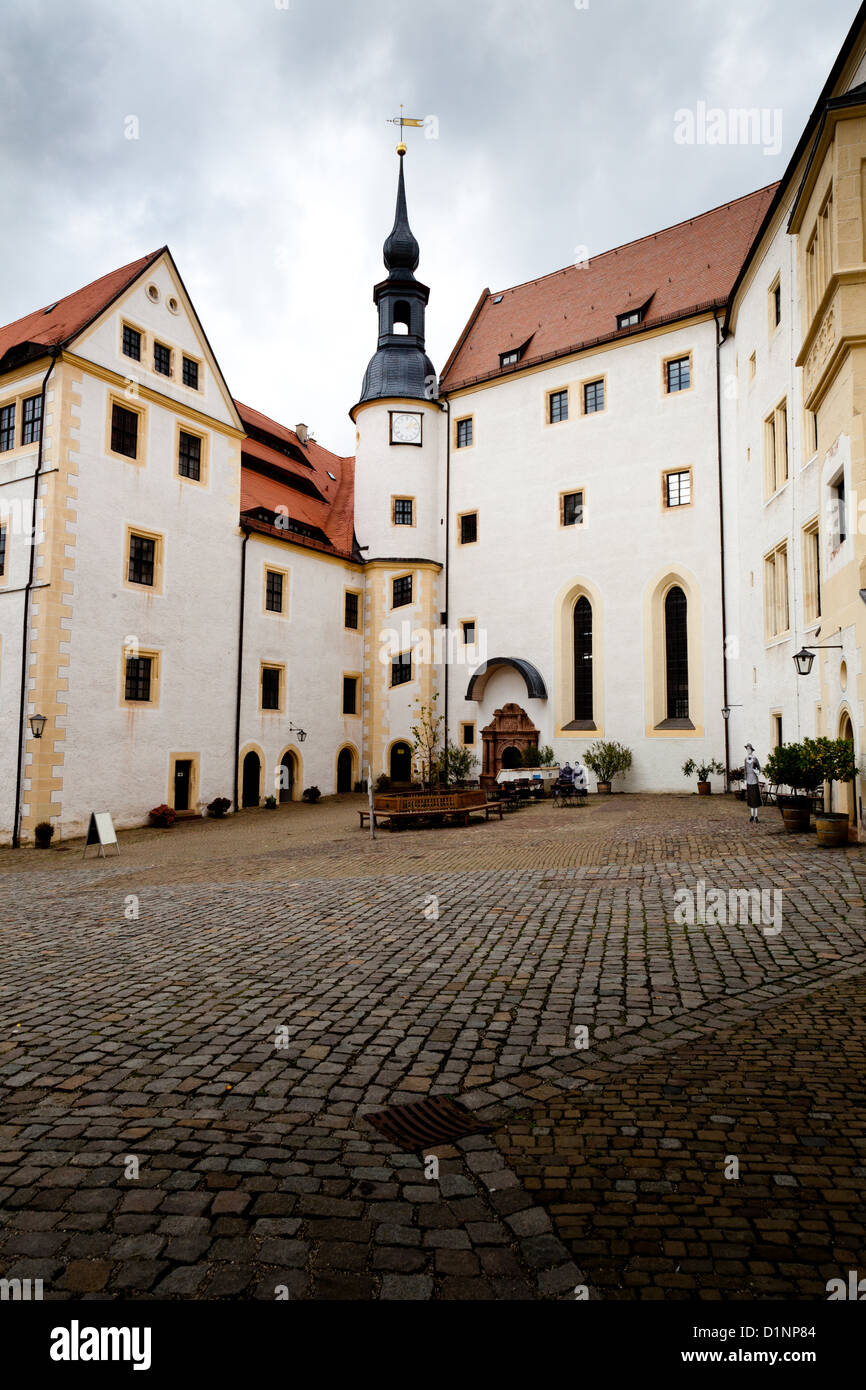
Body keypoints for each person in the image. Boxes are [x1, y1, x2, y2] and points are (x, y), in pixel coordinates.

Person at [744, 743, 762, 824]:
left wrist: (756, 771)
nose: (748, 750)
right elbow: (745, 770)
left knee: (755, 798)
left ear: (751, 750)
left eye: (749, 749)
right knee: (751, 798)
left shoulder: (755, 759)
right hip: (748, 780)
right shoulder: (745, 759)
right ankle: (751, 815)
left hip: (754, 779)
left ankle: (756, 816)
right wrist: (745, 779)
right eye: (747, 749)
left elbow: (759, 768)